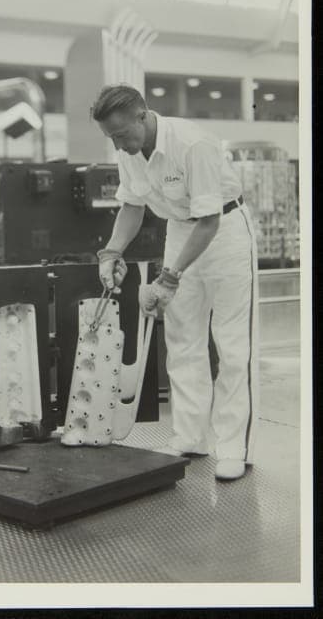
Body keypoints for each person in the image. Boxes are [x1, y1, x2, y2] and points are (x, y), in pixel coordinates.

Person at [92, 85, 258, 481]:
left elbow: (210, 220)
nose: (118, 145)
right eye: (111, 138)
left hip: (224, 233)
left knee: (231, 345)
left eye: (122, 135)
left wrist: (168, 278)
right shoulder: (128, 150)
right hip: (181, 232)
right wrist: (111, 253)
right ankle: (189, 437)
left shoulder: (192, 143)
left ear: (142, 115)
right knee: (182, 340)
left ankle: (235, 447)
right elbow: (132, 205)